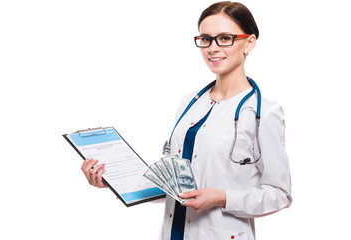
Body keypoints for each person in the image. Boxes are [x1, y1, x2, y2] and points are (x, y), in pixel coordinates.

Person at [81, 1, 292, 239]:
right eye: (205, 39)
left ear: (249, 43)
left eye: (224, 38)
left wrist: (222, 197)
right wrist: (117, 184)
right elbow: (177, 185)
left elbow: (280, 194)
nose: (213, 48)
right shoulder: (189, 103)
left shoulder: (264, 112)